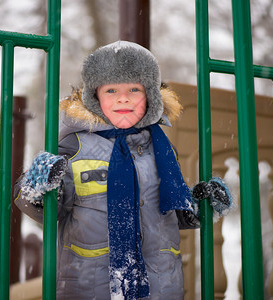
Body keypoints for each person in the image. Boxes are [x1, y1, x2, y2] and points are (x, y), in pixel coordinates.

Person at [14, 40, 233, 300]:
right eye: (111, 90)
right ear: (94, 96)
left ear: (149, 94)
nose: (123, 98)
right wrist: (37, 188)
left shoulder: (161, 148)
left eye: (134, 88)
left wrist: (200, 206)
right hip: (91, 287)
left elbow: (170, 211)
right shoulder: (74, 145)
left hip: (161, 287)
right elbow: (47, 208)